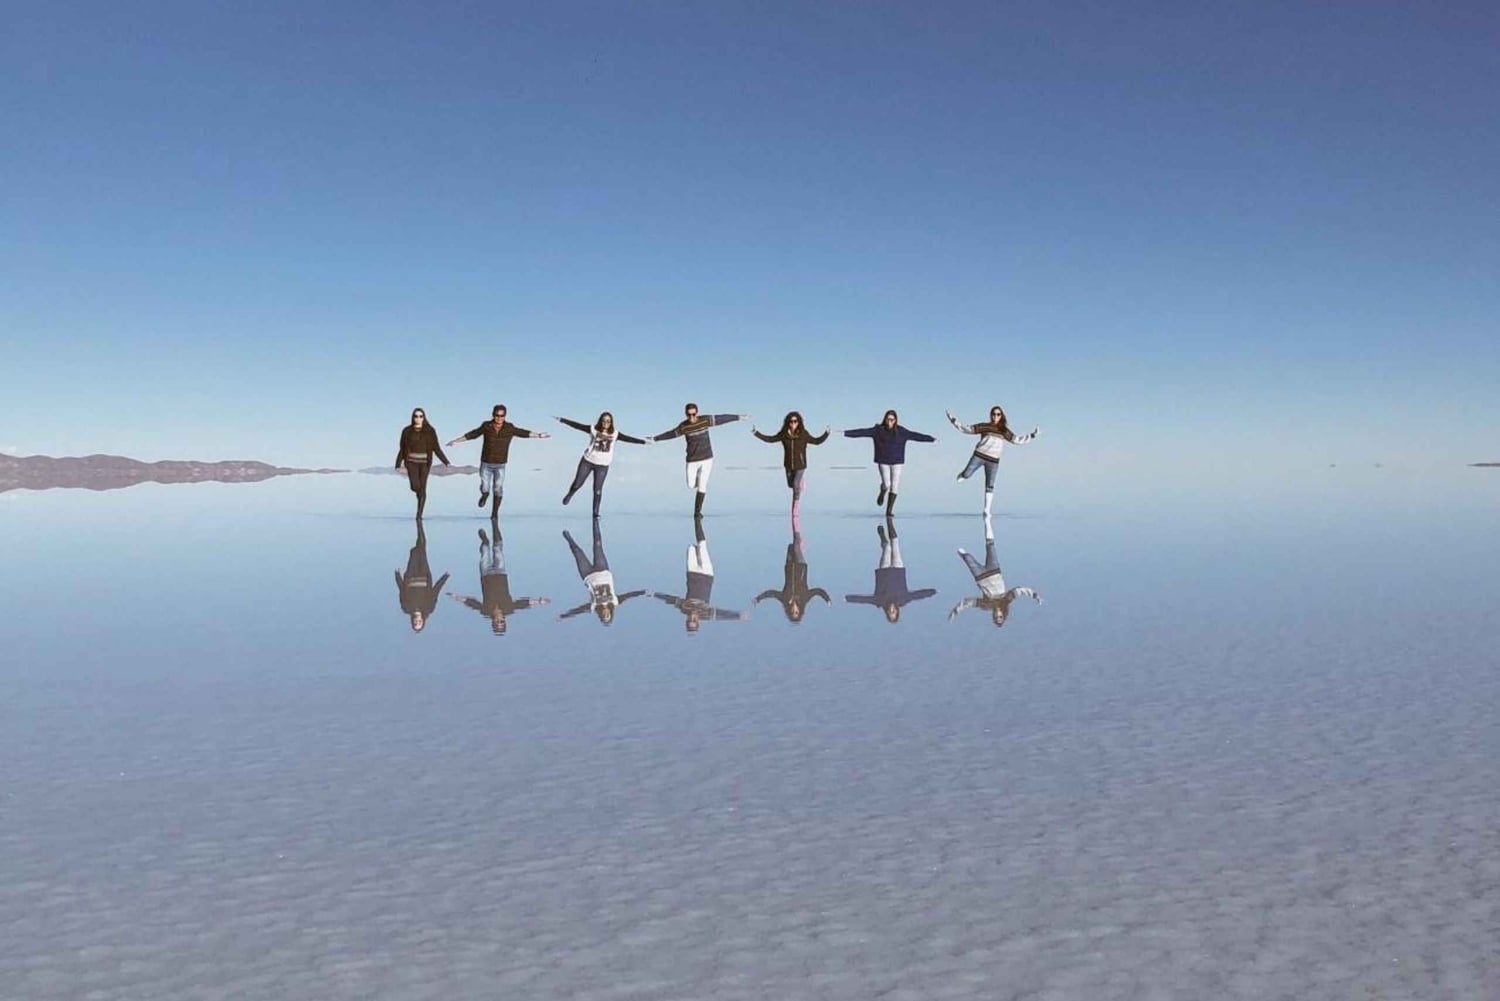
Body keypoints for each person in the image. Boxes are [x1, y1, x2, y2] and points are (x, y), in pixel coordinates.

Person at [445, 404, 550, 517]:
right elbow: (473, 434)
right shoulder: (486, 426)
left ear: (505, 416)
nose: (499, 418)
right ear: (493, 415)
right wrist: (456, 440)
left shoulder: (509, 428)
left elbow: (523, 433)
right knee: (485, 486)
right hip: (486, 463)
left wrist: (539, 435)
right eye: (497, 415)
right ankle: (485, 495)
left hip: (500, 464)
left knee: (498, 488)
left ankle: (494, 514)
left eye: (501, 416)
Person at [446, 524, 549, 634]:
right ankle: (495, 525)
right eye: (502, 622)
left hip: (486, 574)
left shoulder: (486, 611)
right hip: (500, 573)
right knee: (498, 550)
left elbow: (472, 603)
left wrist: (456, 597)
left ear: (493, 622)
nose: (500, 620)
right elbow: (523, 603)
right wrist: (539, 601)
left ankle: (484, 540)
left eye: (498, 622)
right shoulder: (509, 609)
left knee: (485, 551)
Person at [651, 403, 749, 517]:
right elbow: (671, 434)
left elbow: (722, 418)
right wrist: (655, 439)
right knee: (691, 485)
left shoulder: (705, 420)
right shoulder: (683, 426)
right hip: (692, 460)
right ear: (685, 414)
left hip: (707, 458)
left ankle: (697, 512)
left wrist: (738, 417)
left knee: (702, 486)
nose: (691, 417)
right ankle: (698, 477)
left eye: (693, 414)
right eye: (689, 415)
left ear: (697, 413)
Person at [652, 520, 746, 632]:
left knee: (691, 548)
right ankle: (697, 519)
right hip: (707, 574)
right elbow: (721, 614)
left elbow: (671, 599)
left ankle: (697, 549)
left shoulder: (684, 609)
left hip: (692, 573)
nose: (692, 617)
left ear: (687, 619)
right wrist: (738, 615)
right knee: (702, 546)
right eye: (694, 620)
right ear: (698, 621)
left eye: (690, 620)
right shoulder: (705, 614)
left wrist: (655, 594)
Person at [946, 405, 1039, 515]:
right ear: (991, 415)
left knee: (990, 485)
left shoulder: (1004, 430)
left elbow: (1017, 440)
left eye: (998, 414)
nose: (995, 416)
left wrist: (1032, 435)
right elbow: (966, 429)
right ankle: (963, 474)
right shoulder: (985, 426)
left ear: (1001, 416)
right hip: (979, 456)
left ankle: (987, 510)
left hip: (993, 461)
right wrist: (953, 420)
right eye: (993, 414)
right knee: (967, 474)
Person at [950, 517, 1041, 626]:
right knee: (990, 545)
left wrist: (955, 611)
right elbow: (1021, 590)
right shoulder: (1007, 599)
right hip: (994, 571)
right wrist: (1035, 595)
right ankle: (987, 520)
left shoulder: (987, 606)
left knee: (965, 555)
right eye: (1000, 617)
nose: (998, 615)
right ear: (1004, 614)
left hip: (980, 576)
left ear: (993, 616)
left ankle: (963, 554)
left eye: (996, 617)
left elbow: (968, 603)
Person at [842, 409, 936, 516]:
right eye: (888, 419)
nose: (890, 422)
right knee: (887, 484)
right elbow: (862, 432)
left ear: (895, 420)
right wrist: (845, 433)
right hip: (883, 460)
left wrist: (931, 439)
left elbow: (915, 436)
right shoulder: (878, 430)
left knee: (895, 485)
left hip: (897, 461)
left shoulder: (901, 431)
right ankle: (883, 491)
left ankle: (889, 511)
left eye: (892, 420)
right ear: (885, 419)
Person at [555, 412, 650, 517]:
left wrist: (643, 442)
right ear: (600, 421)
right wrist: (562, 420)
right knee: (577, 484)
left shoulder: (615, 434)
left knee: (597, 490)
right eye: (604, 420)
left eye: (608, 421)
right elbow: (577, 426)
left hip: (602, 466)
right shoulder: (593, 429)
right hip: (587, 461)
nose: (606, 423)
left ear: (611, 423)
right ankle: (570, 494)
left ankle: (595, 513)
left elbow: (629, 439)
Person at [844, 520, 937, 624]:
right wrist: (932, 592)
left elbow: (864, 600)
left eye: (889, 612)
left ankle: (883, 538)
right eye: (894, 612)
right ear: (897, 611)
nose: (891, 610)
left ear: (887, 612)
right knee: (895, 545)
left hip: (884, 571)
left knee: (888, 548)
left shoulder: (880, 601)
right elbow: (917, 595)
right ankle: (889, 520)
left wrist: (848, 598)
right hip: (898, 570)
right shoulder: (903, 600)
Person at [557, 522, 647, 626]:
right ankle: (596, 520)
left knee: (577, 552)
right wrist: (643, 592)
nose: (605, 613)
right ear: (611, 613)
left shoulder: (594, 606)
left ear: (601, 615)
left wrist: (563, 616)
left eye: (604, 616)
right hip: (603, 571)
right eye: (608, 615)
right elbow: (629, 595)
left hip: (588, 575)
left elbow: (578, 610)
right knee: (598, 545)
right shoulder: (615, 601)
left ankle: (568, 538)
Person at [753, 515, 830, 624]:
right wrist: (827, 599)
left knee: (790, 547)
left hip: (789, 566)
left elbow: (772, 593)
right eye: (796, 612)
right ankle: (798, 536)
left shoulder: (784, 599)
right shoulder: (805, 598)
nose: (794, 610)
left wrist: (758, 598)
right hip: (801, 565)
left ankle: (796, 533)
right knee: (796, 546)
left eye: (792, 612)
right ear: (800, 611)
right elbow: (818, 591)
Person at [752, 411, 830, 514]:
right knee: (790, 485)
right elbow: (770, 439)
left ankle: (795, 506)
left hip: (800, 465)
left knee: (795, 485)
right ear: (788, 422)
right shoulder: (784, 434)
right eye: (791, 421)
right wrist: (756, 433)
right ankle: (800, 482)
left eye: (795, 421)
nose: (793, 423)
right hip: (788, 464)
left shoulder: (804, 434)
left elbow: (816, 441)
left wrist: (826, 433)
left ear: (799, 422)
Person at [395, 407, 450, 519]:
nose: (418, 418)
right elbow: (402, 448)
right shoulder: (407, 431)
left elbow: (436, 447)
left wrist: (446, 462)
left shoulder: (430, 431)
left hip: (425, 463)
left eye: (420, 416)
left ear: (424, 418)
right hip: (411, 462)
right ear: (413, 417)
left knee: (423, 488)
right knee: (415, 486)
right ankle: (419, 495)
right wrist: (398, 464)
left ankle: (419, 515)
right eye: (416, 416)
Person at [394, 521, 448, 632]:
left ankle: (419, 525)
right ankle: (419, 525)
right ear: (423, 621)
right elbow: (435, 591)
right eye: (419, 623)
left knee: (415, 551)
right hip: (424, 575)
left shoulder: (406, 607)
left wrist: (397, 576)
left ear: (412, 621)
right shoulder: (429, 608)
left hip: (411, 575)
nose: (417, 621)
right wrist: (444, 578)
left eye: (415, 623)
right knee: (422, 550)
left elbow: (402, 590)